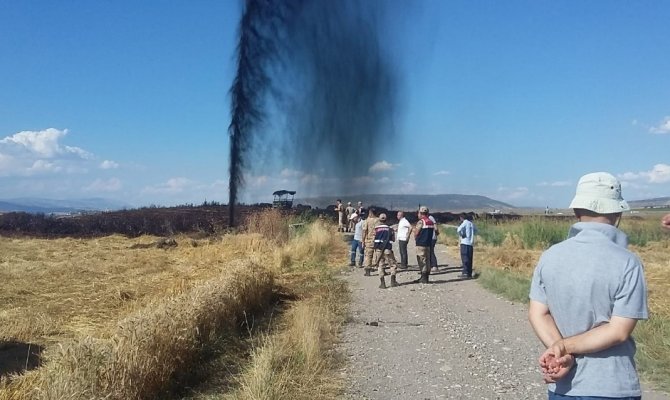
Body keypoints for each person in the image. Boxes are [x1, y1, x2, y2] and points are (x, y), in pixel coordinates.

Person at [528, 172, 648, 399]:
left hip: (563, 387)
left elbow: (538, 313)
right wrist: (563, 348)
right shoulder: (628, 262)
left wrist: (560, 350)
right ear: (618, 212)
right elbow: (618, 331)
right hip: (613, 385)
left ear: (576, 211)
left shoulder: (549, 256)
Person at [373, 213, 399, 288]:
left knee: (380, 265)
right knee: (392, 265)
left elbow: (374, 239)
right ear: (386, 220)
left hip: (378, 250)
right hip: (387, 249)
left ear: (379, 220)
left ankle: (382, 283)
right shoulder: (390, 229)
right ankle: (393, 281)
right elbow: (393, 239)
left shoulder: (376, 229)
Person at [412, 206, 435, 283]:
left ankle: (423, 277)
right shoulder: (431, 222)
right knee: (427, 260)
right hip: (428, 244)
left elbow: (416, 232)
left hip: (421, 244)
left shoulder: (421, 222)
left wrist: (415, 237)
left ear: (421, 213)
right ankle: (426, 277)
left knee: (422, 260)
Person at [456, 214, 476, 279]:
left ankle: (465, 273)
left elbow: (458, 229)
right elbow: (476, 230)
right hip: (470, 243)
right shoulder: (471, 223)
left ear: (461, 218)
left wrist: (462, 234)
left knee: (465, 258)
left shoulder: (465, 223)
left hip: (464, 242)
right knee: (470, 258)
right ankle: (469, 273)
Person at [361, 206, 379, 276]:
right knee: (378, 255)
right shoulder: (378, 220)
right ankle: (380, 268)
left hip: (369, 240)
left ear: (370, 213)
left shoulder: (367, 221)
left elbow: (364, 231)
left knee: (368, 255)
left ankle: (368, 270)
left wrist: (363, 241)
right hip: (378, 240)